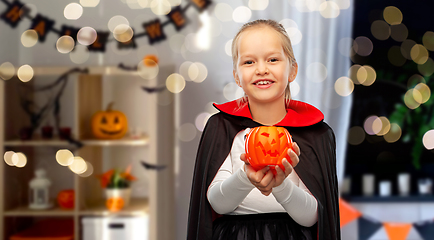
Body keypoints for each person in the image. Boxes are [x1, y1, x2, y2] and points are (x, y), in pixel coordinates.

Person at [187, 19, 340, 240]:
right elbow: (216, 203)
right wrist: (245, 177)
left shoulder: (316, 134)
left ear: (292, 71)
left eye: (273, 59)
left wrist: (280, 185)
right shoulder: (221, 127)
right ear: (237, 76)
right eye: (249, 62)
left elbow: (312, 217)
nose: (261, 69)